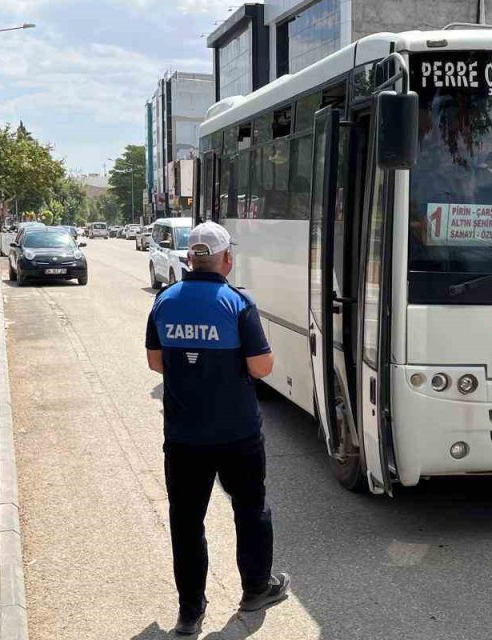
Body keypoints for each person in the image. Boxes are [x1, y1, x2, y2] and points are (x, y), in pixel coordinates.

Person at [145, 221, 290, 636]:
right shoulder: (237, 303)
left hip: (183, 436)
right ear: (227, 258)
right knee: (250, 508)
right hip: (237, 434)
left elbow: (156, 362)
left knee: (186, 521)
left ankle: (190, 612)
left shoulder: (165, 300)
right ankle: (256, 589)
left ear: (191, 258)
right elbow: (261, 367)